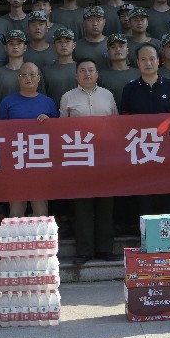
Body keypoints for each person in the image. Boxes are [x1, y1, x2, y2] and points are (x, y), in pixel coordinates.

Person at [60, 59, 119, 264]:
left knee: (106, 205)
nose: (87, 74)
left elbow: (116, 125)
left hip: (105, 158)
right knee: (82, 207)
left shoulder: (108, 95)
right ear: (76, 75)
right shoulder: (67, 97)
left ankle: (105, 249)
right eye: (82, 70)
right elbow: (61, 130)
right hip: (79, 158)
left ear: (97, 74)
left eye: (91, 70)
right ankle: (84, 251)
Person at [120, 44, 170, 215]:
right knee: (144, 198)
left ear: (159, 61)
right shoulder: (130, 89)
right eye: (143, 59)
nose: (148, 63)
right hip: (141, 151)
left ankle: (169, 230)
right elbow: (124, 121)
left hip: (167, 151)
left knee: (168, 195)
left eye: (152, 59)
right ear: (137, 63)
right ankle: (146, 230)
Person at [0, 62, 58, 217]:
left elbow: (57, 133)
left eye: (32, 75)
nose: (28, 78)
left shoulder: (48, 102)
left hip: (40, 159)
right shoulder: (7, 102)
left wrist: (49, 122)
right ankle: (15, 233)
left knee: (40, 204)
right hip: (15, 159)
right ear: (19, 78)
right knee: (16, 205)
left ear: (38, 78)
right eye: (24, 75)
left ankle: (42, 234)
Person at [0, 29, 31, 109]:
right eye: (11, 44)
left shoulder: (33, 72)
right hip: (4, 116)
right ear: (5, 48)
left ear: (25, 47)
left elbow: (40, 100)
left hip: (29, 116)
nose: (15, 47)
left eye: (19, 43)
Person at [41, 28, 79, 105]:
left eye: (67, 41)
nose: (63, 45)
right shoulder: (46, 71)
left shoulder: (82, 69)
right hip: (54, 111)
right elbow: (42, 97)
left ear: (74, 45)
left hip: (79, 111)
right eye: (59, 42)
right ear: (54, 46)